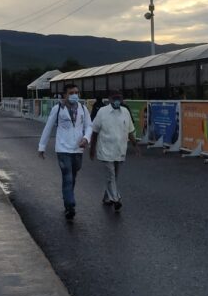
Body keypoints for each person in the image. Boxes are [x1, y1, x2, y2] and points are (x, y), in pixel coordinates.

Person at [38, 84, 92, 221]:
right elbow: (48, 127)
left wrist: (86, 138)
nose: (75, 95)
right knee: (67, 177)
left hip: (78, 149)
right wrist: (42, 146)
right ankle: (70, 205)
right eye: (71, 93)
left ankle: (68, 198)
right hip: (63, 149)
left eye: (77, 92)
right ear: (65, 95)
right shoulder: (57, 109)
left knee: (73, 177)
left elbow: (89, 126)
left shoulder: (83, 109)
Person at [89, 91, 139, 211]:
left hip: (120, 150)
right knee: (110, 174)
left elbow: (130, 131)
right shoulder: (102, 112)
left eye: (119, 98)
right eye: (115, 98)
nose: (117, 100)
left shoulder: (125, 112)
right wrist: (92, 149)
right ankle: (116, 199)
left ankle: (107, 197)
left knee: (113, 176)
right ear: (110, 99)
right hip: (105, 149)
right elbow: (94, 132)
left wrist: (135, 145)